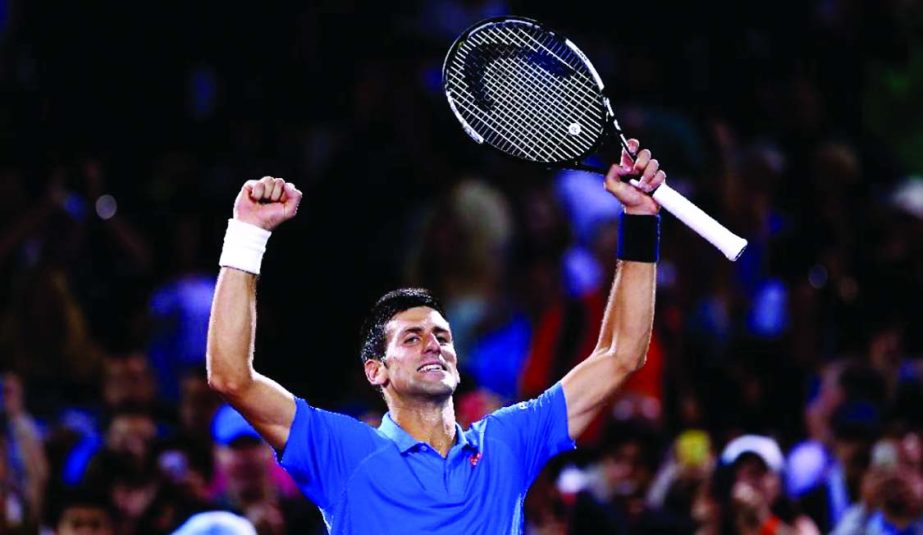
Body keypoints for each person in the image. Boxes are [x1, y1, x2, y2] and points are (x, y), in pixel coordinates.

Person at [206, 139, 665, 533]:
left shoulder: (505, 442)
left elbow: (620, 354)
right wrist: (247, 234)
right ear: (376, 371)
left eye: (442, 336)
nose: (433, 344)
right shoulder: (344, 450)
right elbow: (232, 377)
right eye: (411, 338)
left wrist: (639, 217)